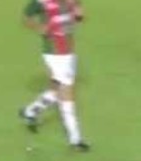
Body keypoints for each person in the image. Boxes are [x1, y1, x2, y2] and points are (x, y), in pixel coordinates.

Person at [18, 0, 90, 152]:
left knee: (56, 89)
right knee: (67, 94)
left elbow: (77, 15)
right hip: (55, 53)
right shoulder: (41, 2)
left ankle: (30, 112)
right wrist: (39, 28)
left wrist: (78, 13)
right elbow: (26, 17)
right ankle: (75, 139)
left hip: (69, 51)